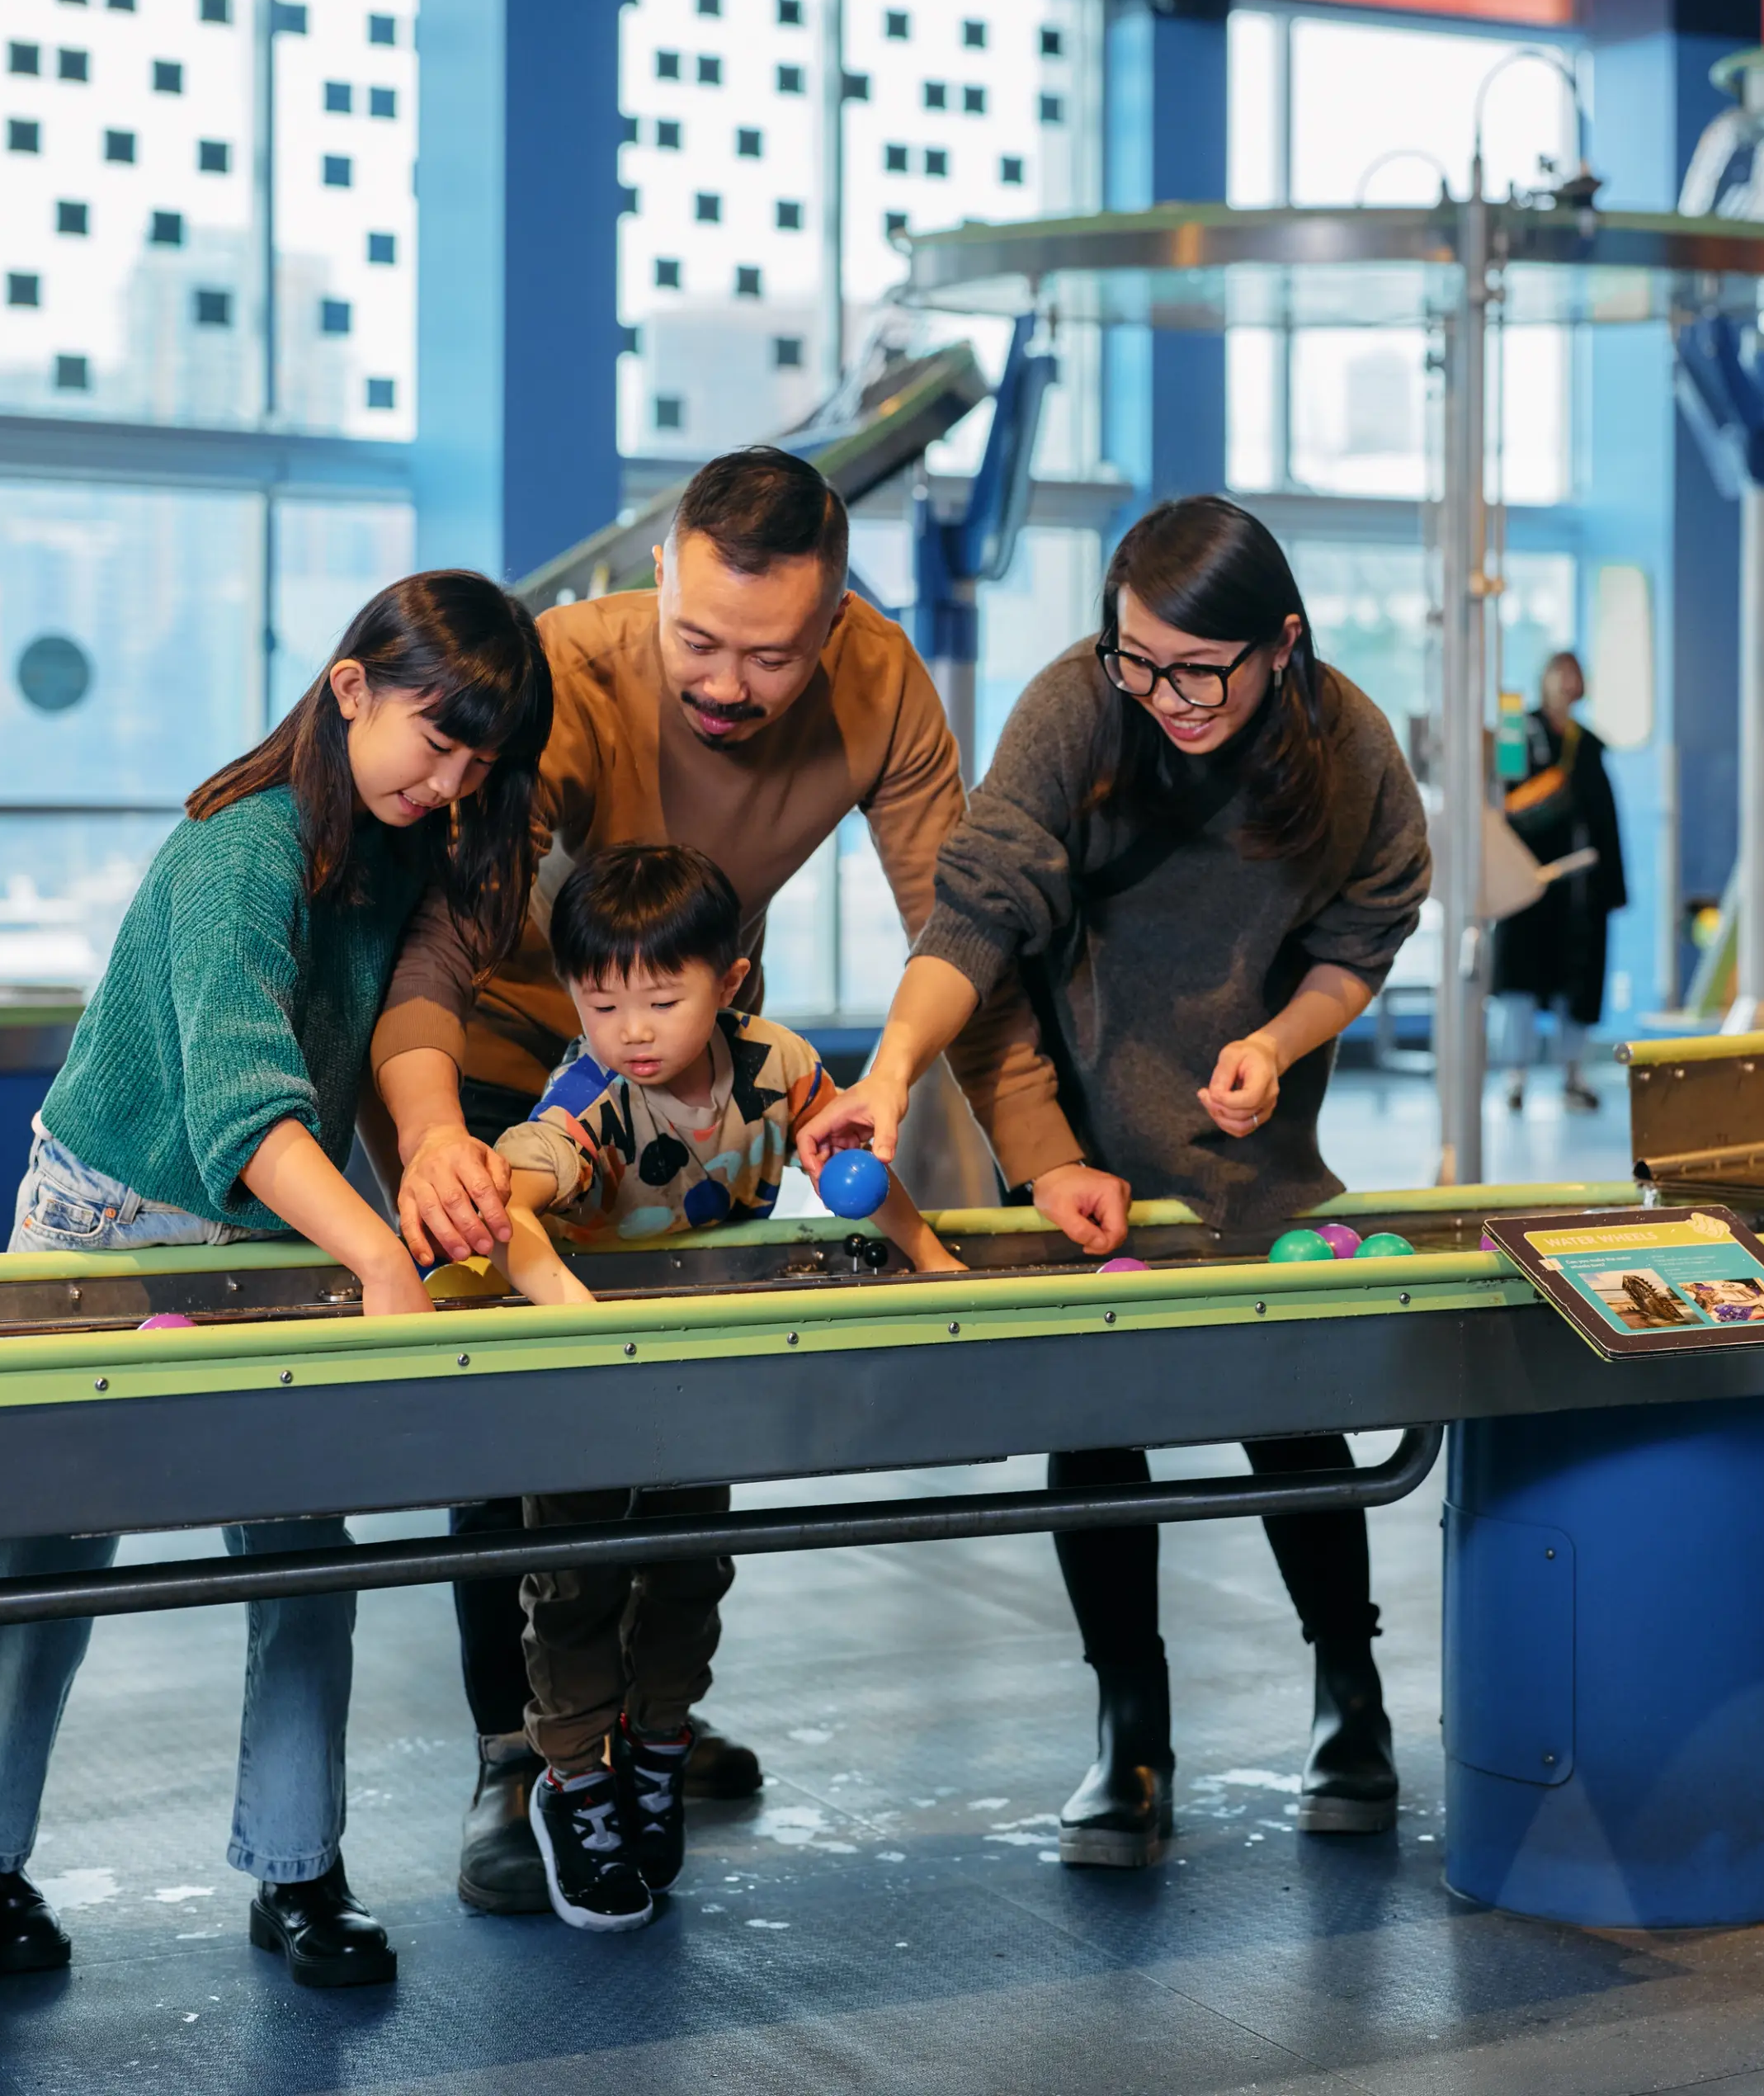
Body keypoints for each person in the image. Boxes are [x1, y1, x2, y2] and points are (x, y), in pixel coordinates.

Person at [366, 445, 1118, 1913]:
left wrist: (1046, 1161)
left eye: (768, 656)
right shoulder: (570, 670)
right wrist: (433, 1133)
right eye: (697, 639)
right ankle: (517, 1755)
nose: (724, 681)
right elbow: (443, 940)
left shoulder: (882, 683)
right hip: (520, 1056)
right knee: (520, 1428)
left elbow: (961, 932)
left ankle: (646, 1712)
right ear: (659, 577)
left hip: (704, 1059)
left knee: (679, 1407)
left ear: (832, 624)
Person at [0, 571, 552, 1990]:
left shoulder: (410, 849)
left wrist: (421, 1189)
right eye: (432, 740)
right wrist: (383, 1249)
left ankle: (297, 1871)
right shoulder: (238, 850)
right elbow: (241, 1111)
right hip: (111, 1214)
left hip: (276, 1225)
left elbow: (386, 1057)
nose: (449, 782)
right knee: (39, 1553)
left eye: (479, 762)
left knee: (300, 1556)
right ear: (349, 691)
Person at [797, 496, 1431, 1870]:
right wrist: (894, 1072)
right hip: (1076, 1142)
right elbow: (974, 913)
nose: (1167, 697)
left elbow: (1369, 931)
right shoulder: (1078, 711)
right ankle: (1129, 1730)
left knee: (1292, 1416)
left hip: (1252, 1144)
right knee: (1097, 1427)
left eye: (1200, 670)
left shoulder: (1351, 745)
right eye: (1140, 660)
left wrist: (1274, 1041)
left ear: (1283, 645)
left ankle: (1351, 1695)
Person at [492, 843, 956, 1931]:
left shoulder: (776, 1064)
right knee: (575, 1583)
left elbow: (850, 1159)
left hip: (703, 1372)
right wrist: (566, 1305)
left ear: (729, 983)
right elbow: (502, 1198)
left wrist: (933, 1265)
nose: (634, 1031)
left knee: (690, 1568)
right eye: (602, 1003)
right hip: (586, 1382)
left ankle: (656, 1748)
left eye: (663, 998)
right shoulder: (589, 1098)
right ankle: (574, 1782)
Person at [1494, 649, 1626, 1112]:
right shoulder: (1517, 733)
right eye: (1560, 674)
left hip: (1577, 887)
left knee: (1579, 979)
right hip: (1524, 881)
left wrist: (1612, 886)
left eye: (1575, 675)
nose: (1568, 684)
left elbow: (1606, 821)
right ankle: (1516, 1076)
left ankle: (1573, 1073)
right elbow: (1501, 799)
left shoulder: (1587, 746)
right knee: (1521, 980)